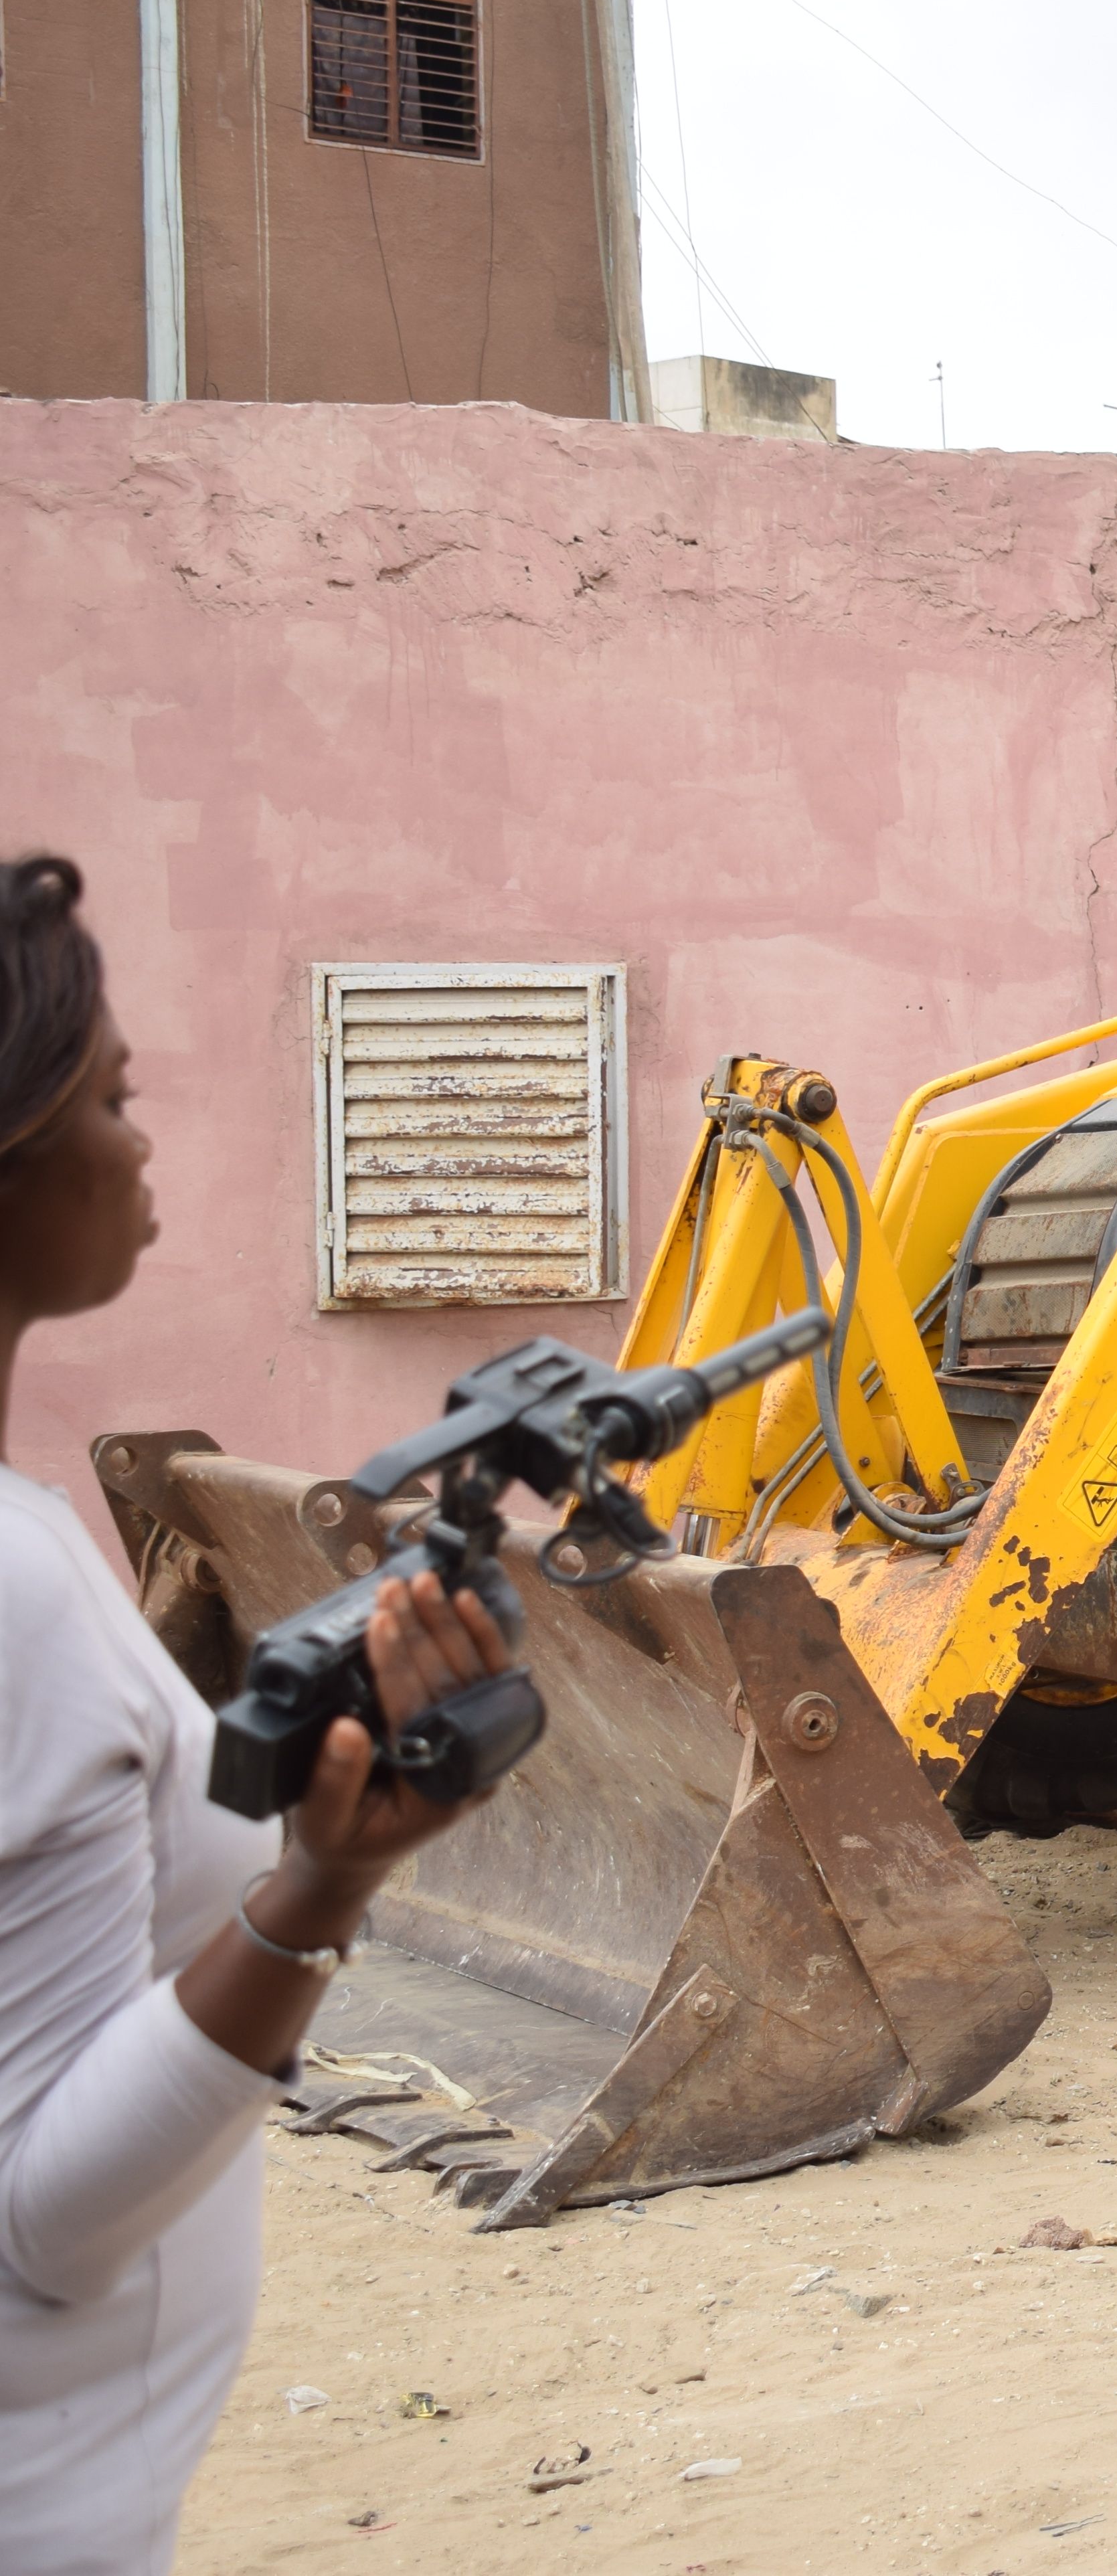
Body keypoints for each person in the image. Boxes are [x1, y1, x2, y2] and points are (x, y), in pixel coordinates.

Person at [0, 855, 505, 2576]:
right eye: (115, 1096)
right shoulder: (12, 1596)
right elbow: (47, 2215)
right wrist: (318, 1892)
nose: (143, 1144)